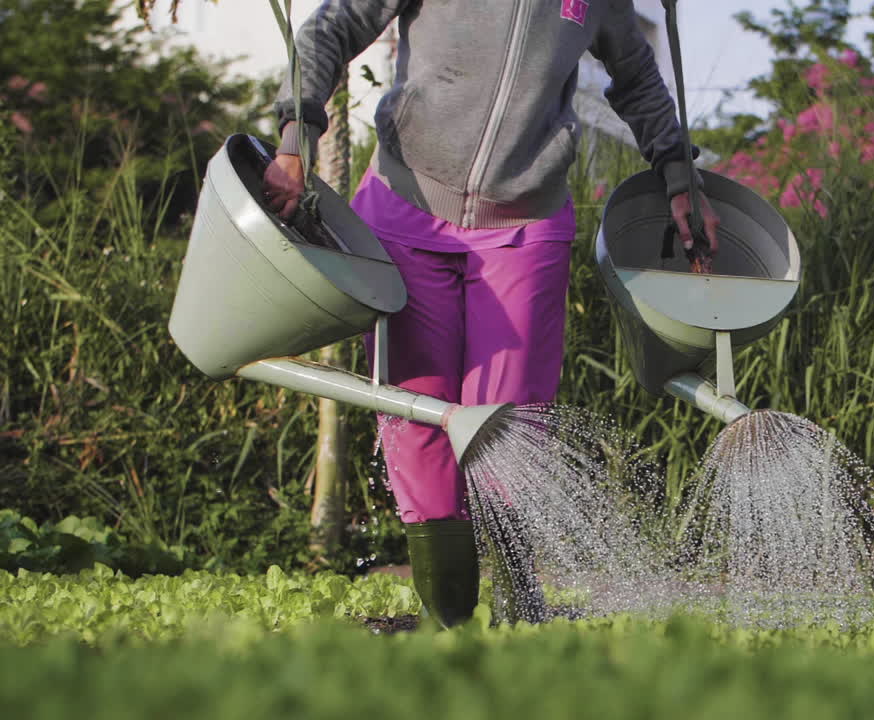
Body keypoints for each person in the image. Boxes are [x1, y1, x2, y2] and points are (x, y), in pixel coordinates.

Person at [263, 0, 720, 630]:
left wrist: (678, 177)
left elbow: (636, 75)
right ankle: (445, 617)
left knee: (507, 427)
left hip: (525, 224)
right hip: (405, 209)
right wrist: (295, 137)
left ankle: (516, 611)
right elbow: (331, 26)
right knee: (414, 413)